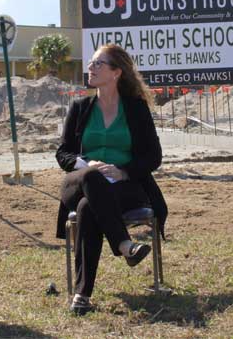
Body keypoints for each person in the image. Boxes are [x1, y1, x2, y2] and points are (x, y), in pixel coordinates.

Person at [55, 43, 167, 315]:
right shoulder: (80, 107)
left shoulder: (136, 109)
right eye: (91, 63)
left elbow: (153, 156)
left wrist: (124, 171)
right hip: (79, 181)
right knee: (91, 180)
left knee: (87, 210)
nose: (90, 68)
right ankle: (125, 245)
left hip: (124, 186)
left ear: (116, 72)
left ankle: (82, 294)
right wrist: (86, 163)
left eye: (97, 64)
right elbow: (62, 153)